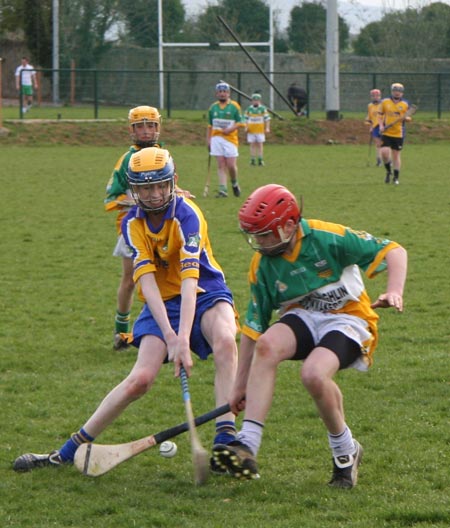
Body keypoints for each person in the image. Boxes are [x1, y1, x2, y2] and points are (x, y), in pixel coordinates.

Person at [13, 147, 239, 474]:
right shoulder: (132, 224)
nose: (154, 193)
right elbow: (146, 284)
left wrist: (183, 339)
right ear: (134, 189)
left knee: (226, 341)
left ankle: (225, 442)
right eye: (146, 188)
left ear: (173, 182)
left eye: (160, 185)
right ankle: (65, 452)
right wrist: (170, 335)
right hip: (161, 300)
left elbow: (191, 281)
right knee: (140, 380)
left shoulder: (188, 214)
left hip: (204, 291)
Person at [212, 184, 407, 488]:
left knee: (314, 375)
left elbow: (394, 250)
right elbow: (252, 330)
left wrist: (394, 290)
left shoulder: (326, 236)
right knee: (267, 346)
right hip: (303, 316)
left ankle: (345, 452)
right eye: (255, 235)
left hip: (349, 318)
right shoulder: (263, 265)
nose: (259, 243)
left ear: (289, 226)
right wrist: (239, 386)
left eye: (264, 234)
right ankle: (247, 444)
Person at [105, 106, 163, 350]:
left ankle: (157, 329)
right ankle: (121, 331)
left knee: (161, 278)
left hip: (160, 227)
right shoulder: (127, 160)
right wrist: (137, 202)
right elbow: (111, 198)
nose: (146, 131)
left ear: (158, 128)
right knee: (130, 280)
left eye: (151, 125)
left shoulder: (164, 156)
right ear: (132, 130)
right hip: (132, 226)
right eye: (140, 126)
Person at [207, 81, 244, 198]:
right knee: (221, 164)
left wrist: (230, 129)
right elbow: (210, 125)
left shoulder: (234, 106)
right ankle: (223, 190)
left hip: (230, 139)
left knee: (231, 165)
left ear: (228, 93)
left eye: (225, 92)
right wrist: (208, 140)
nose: (222, 94)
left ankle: (234, 183)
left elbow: (241, 122)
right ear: (216, 94)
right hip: (216, 138)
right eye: (220, 92)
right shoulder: (213, 108)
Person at [378, 83, 413, 185]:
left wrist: (406, 118)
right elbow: (380, 115)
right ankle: (389, 171)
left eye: (399, 91)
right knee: (384, 153)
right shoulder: (384, 102)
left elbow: (409, 118)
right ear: (392, 91)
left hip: (398, 133)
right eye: (395, 90)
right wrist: (380, 126)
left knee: (396, 155)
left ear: (402, 93)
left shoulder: (406, 104)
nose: (397, 93)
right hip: (386, 131)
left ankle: (396, 178)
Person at [244, 93, 271, 166]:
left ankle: (260, 159)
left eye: (257, 100)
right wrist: (246, 127)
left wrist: (267, 128)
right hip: (251, 131)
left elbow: (267, 119)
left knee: (260, 145)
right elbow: (245, 119)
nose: (256, 102)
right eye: (254, 100)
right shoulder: (249, 109)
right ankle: (252, 159)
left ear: (260, 101)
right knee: (252, 145)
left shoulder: (262, 109)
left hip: (260, 131)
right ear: (252, 101)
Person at [364, 89, 383, 167]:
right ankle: (379, 160)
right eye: (373, 96)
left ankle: (387, 160)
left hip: (383, 126)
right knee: (378, 144)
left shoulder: (383, 105)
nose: (375, 97)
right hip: (375, 126)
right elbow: (370, 116)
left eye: (377, 96)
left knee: (385, 144)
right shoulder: (370, 106)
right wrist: (370, 125)